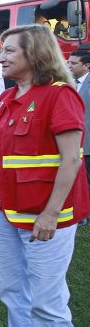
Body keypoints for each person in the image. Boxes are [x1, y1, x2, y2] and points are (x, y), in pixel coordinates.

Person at [0, 25, 88, 327]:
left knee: (47, 301)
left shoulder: (60, 96)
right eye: (2, 50)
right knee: (13, 291)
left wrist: (51, 213)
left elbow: (71, 160)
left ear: (35, 54)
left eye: (10, 50)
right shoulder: (6, 98)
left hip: (45, 219)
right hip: (5, 214)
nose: (2, 57)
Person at [67, 51, 90, 225]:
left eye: (73, 63)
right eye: (68, 62)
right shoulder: (66, 82)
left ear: (86, 66)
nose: (69, 65)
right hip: (70, 142)